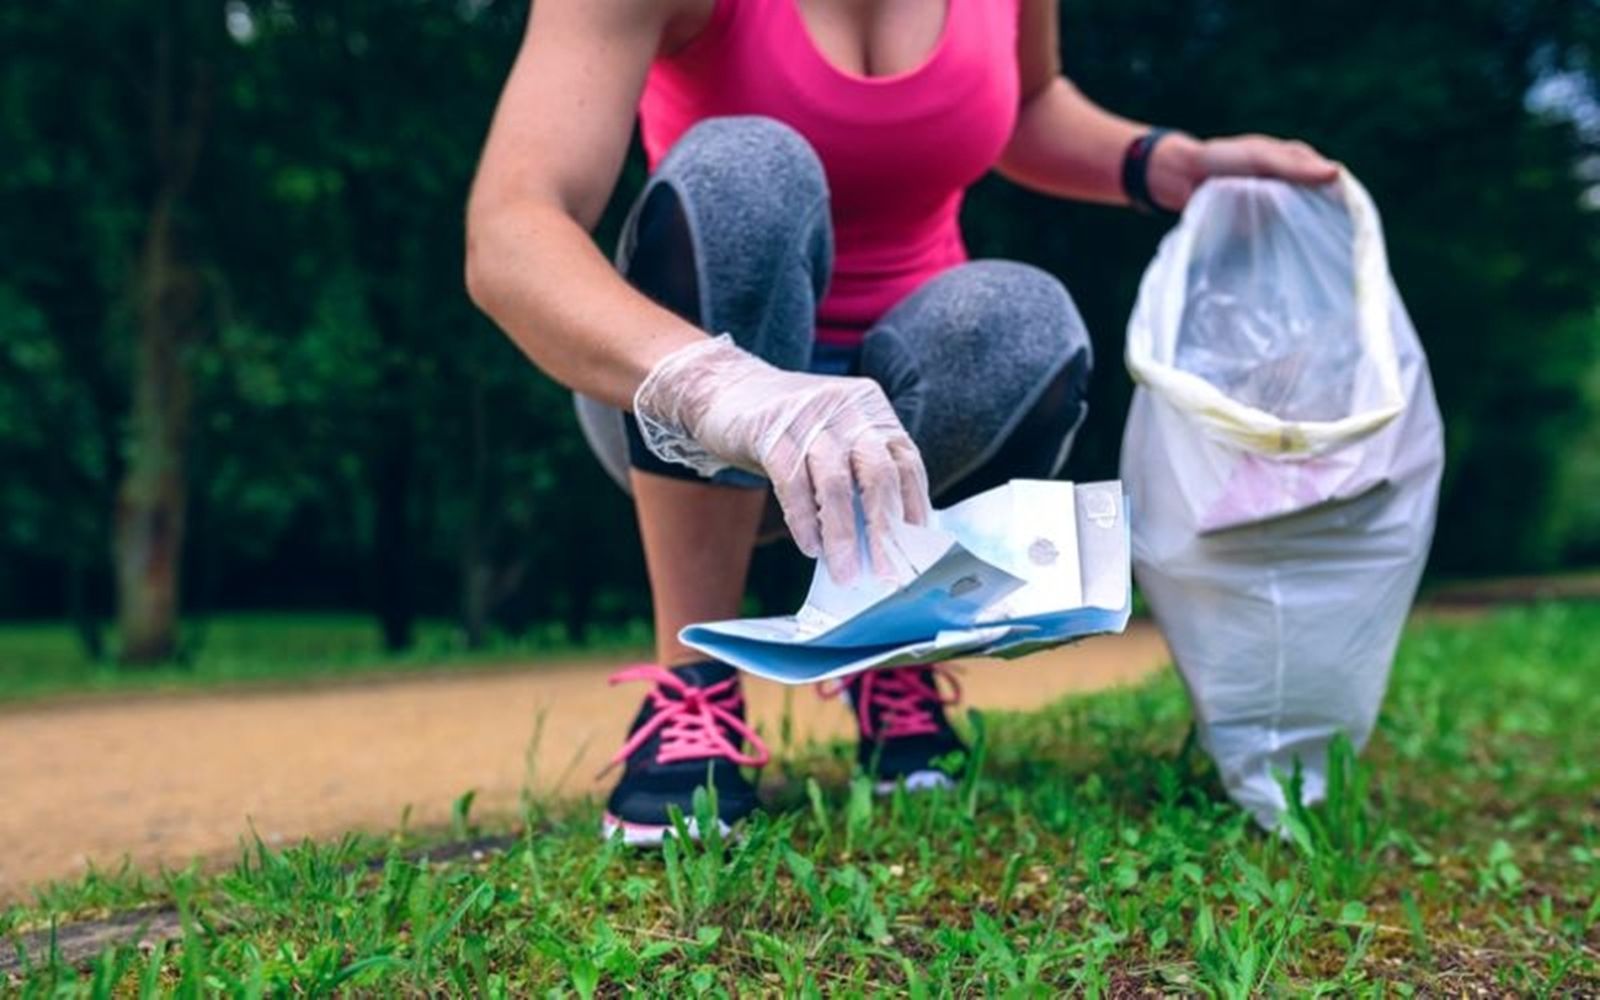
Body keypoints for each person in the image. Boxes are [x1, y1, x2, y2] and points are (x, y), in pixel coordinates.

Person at [465, 0, 1338, 844]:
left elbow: (1026, 103)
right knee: (746, 166)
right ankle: (692, 689)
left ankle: (891, 643)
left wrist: (1162, 161)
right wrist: (721, 387)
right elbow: (512, 228)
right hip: (686, 397)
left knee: (1027, 320)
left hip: (906, 414)